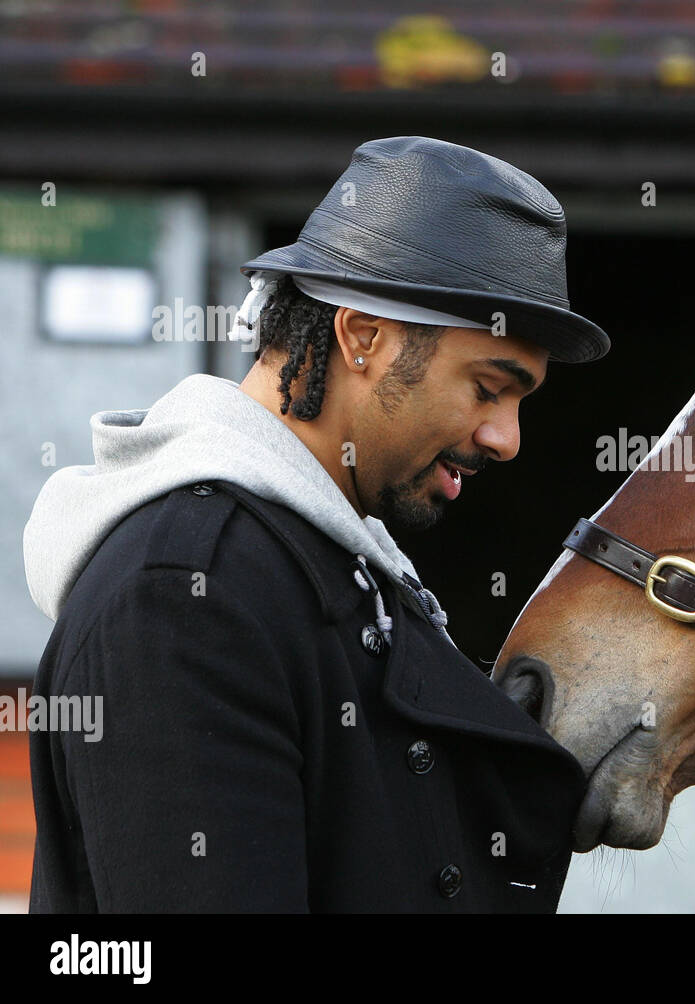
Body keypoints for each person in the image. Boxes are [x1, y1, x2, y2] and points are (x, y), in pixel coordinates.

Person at [23, 136, 609, 912]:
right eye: (488, 388)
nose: (507, 439)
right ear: (363, 335)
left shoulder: (333, 566)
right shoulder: (185, 595)